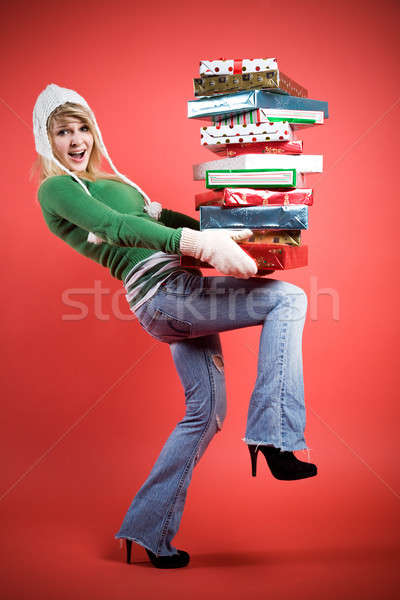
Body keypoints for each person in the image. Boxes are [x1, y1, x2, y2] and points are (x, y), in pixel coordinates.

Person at [32, 83, 317, 570]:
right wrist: (200, 244)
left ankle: (148, 530)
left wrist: (232, 233)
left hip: (180, 295)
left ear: (94, 133)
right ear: (46, 139)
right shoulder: (56, 188)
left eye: (83, 129)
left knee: (204, 415)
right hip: (165, 295)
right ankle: (274, 435)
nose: (76, 140)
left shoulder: (118, 183)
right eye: (63, 132)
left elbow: (163, 217)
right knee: (288, 300)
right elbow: (118, 228)